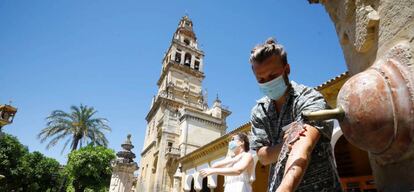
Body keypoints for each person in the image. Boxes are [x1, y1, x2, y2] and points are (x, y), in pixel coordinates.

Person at [249, 38, 342, 192]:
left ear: (287, 70)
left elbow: (303, 147)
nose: (268, 83)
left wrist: (284, 189)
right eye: (261, 79)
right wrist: (285, 144)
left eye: (272, 77)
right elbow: (263, 157)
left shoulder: (309, 98)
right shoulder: (259, 111)